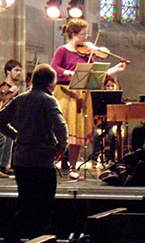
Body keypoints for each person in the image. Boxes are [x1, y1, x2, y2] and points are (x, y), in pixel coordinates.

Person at [0, 64, 68, 241]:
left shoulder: (21, 99)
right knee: (44, 206)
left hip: (22, 162)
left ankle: (11, 239)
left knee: (25, 204)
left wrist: (17, 136)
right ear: (51, 83)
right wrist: (61, 148)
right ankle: (39, 238)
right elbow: (61, 127)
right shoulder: (49, 101)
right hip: (42, 162)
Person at [50, 18, 126, 180]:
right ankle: (51, 163)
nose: (86, 37)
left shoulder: (86, 54)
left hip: (83, 95)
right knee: (63, 132)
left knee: (77, 134)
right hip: (66, 94)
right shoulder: (62, 50)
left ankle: (72, 168)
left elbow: (97, 74)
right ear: (73, 34)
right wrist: (70, 73)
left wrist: (115, 69)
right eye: (83, 34)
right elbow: (54, 68)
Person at [0, 59, 23, 174]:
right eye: (16, 70)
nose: (19, 73)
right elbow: (0, 106)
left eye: (20, 71)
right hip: (7, 119)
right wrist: (9, 95)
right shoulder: (3, 87)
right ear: (8, 71)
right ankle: (8, 164)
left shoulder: (16, 87)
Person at [92, 76, 122, 167]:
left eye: (112, 86)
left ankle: (112, 158)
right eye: (108, 86)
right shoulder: (100, 99)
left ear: (116, 87)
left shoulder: (119, 98)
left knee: (113, 133)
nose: (110, 88)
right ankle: (95, 157)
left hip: (114, 125)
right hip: (101, 125)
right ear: (104, 87)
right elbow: (95, 116)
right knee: (96, 134)